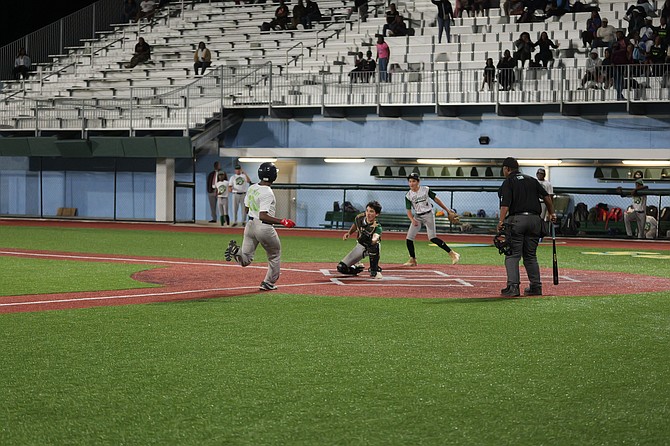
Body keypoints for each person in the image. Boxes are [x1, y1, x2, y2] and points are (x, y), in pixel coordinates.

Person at [224, 162, 296, 292]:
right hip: (264, 227)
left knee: (245, 259)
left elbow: (246, 210)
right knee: (274, 254)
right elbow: (263, 216)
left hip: (250, 225)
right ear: (273, 175)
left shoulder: (252, 188)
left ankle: (236, 251)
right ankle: (268, 282)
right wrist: (282, 221)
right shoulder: (268, 192)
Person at [497, 157, 556, 297]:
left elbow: (505, 204)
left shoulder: (508, 182)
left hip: (517, 220)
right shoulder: (531, 180)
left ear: (507, 169)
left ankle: (513, 287)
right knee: (530, 256)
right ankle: (536, 287)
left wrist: (500, 222)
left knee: (512, 255)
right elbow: (547, 197)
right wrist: (552, 213)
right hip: (535, 220)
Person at [403, 173, 460, 267]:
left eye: (413, 181)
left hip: (428, 214)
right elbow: (408, 210)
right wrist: (412, 219)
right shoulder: (408, 195)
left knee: (432, 238)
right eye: (409, 181)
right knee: (409, 238)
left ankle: (453, 254)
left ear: (418, 182)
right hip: (417, 217)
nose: (411, 183)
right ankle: (413, 259)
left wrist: (447, 210)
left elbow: (436, 200)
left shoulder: (425, 190)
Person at [337, 201, 384, 279]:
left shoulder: (377, 226)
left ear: (377, 214)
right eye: (367, 210)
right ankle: (357, 267)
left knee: (374, 246)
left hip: (372, 248)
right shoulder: (359, 218)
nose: (368, 214)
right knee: (341, 267)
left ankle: (374, 270)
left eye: (371, 211)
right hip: (361, 246)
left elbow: (376, 237)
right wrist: (349, 233)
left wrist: (372, 240)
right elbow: (355, 225)